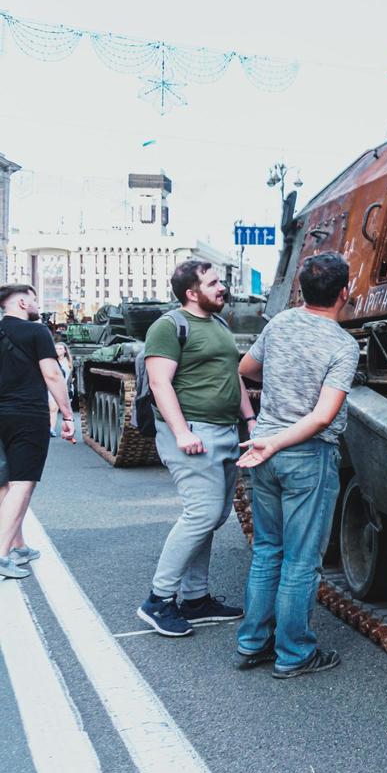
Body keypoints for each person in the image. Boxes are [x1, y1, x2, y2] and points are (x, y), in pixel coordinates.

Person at [235, 253, 358, 678]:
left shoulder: (279, 324)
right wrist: (277, 441)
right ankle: (294, 654)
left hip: (263, 451)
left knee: (269, 550)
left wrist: (269, 430)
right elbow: (323, 416)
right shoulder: (343, 345)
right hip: (304, 455)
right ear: (345, 293)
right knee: (302, 560)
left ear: (301, 290)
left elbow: (246, 368)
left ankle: (252, 643)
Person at [136, 260, 255, 636]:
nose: (223, 288)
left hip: (224, 431)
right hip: (192, 434)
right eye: (214, 282)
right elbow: (159, 382)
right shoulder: (169, 327)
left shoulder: (219, 325)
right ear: (192, 292)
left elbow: (232, 375)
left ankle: (196, 598)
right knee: (200, 515)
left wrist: (249, 419)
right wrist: (181, 431)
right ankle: (158, 600)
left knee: (213, 517)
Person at [0, 283, 76, 580]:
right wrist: (67, 414)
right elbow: (52, 374)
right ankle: (2, 554)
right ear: (20, 303)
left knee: (4, 483)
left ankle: (18, 546)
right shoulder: (37, 332)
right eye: (33, 299)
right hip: (27, 413)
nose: (37, 304)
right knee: (23, 482)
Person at [49, 341, 74, 437]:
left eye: (60, 348)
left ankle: (53, 428)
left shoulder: (68, 362)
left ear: (65, 351)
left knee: (59, 409)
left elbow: (70, 376)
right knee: (52, 408)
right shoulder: (51, 361)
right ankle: (51, 428)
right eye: (56, 348)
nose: (58, 350)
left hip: (64, 388)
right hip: (51, 387)